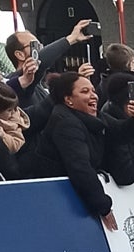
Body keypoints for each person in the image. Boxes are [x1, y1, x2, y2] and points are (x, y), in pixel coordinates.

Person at [29, 72, 116, 230]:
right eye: (85, 92)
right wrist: (103, 205)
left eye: (93, 90)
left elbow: (120, 131)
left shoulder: (92, 117)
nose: (94, 96)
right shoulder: (65, 123)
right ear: (68, 100)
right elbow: (80, 167)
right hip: (56, 199)